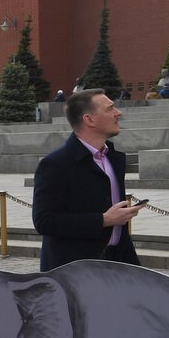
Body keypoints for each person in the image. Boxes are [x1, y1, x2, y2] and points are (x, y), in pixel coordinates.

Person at [32, 89, 142, 272]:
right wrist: (103, 220)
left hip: (117, 265)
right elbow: (44, 221)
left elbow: (119, 229)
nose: (118, 113)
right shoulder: (55, 164)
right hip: (73, 272)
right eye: (110, 109)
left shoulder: (114, 159)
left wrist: (135, 269)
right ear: (89, 119)